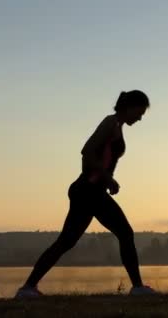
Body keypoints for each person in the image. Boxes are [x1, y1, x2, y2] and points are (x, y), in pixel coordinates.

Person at [16, 90, 156, 298]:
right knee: (124, 233)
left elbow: (101, 157)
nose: (140, 117)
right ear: (130, 107)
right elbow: (87, 152)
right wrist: (107, 178)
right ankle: (137, 287)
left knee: (67, 241)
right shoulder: (110, 123)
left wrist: (106, 180)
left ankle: (28, 288)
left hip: (91, 191)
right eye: (140, 112)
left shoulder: (117, 126)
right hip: (88, 191)